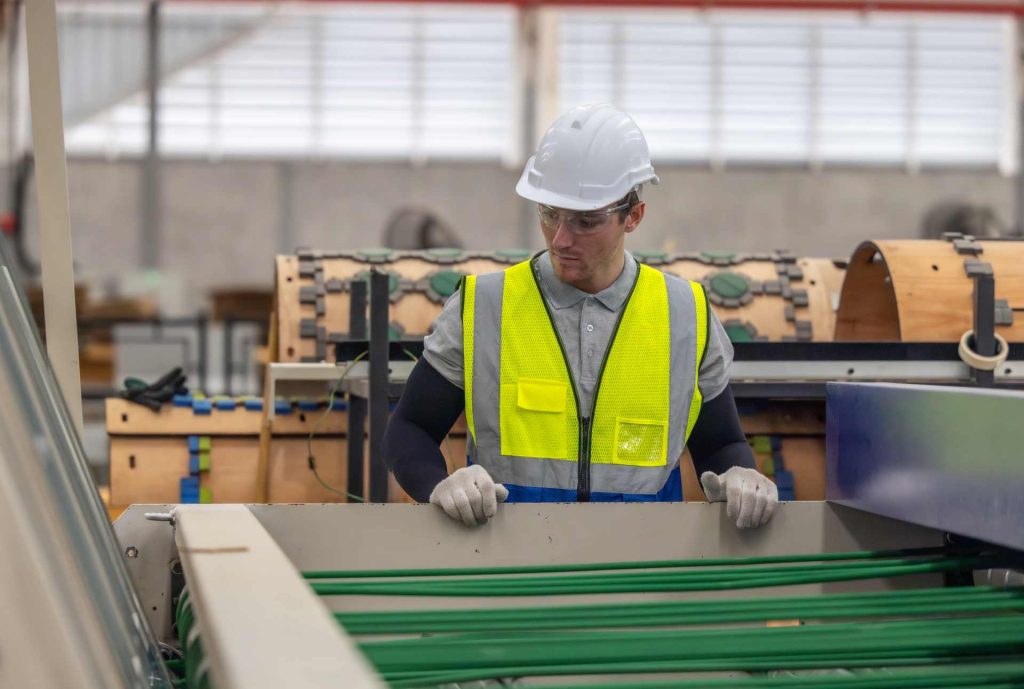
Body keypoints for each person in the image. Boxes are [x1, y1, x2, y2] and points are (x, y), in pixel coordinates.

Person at [382, 104, 777, 529]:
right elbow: (409, 429)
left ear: (634, 217)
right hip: (510, 563)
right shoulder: (483, 308)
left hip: (641, 569)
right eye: (549, 213)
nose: (561, 238)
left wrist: (741, 474)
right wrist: (438, 483)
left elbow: (720, 444)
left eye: (586, 222)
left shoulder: (684, 316)